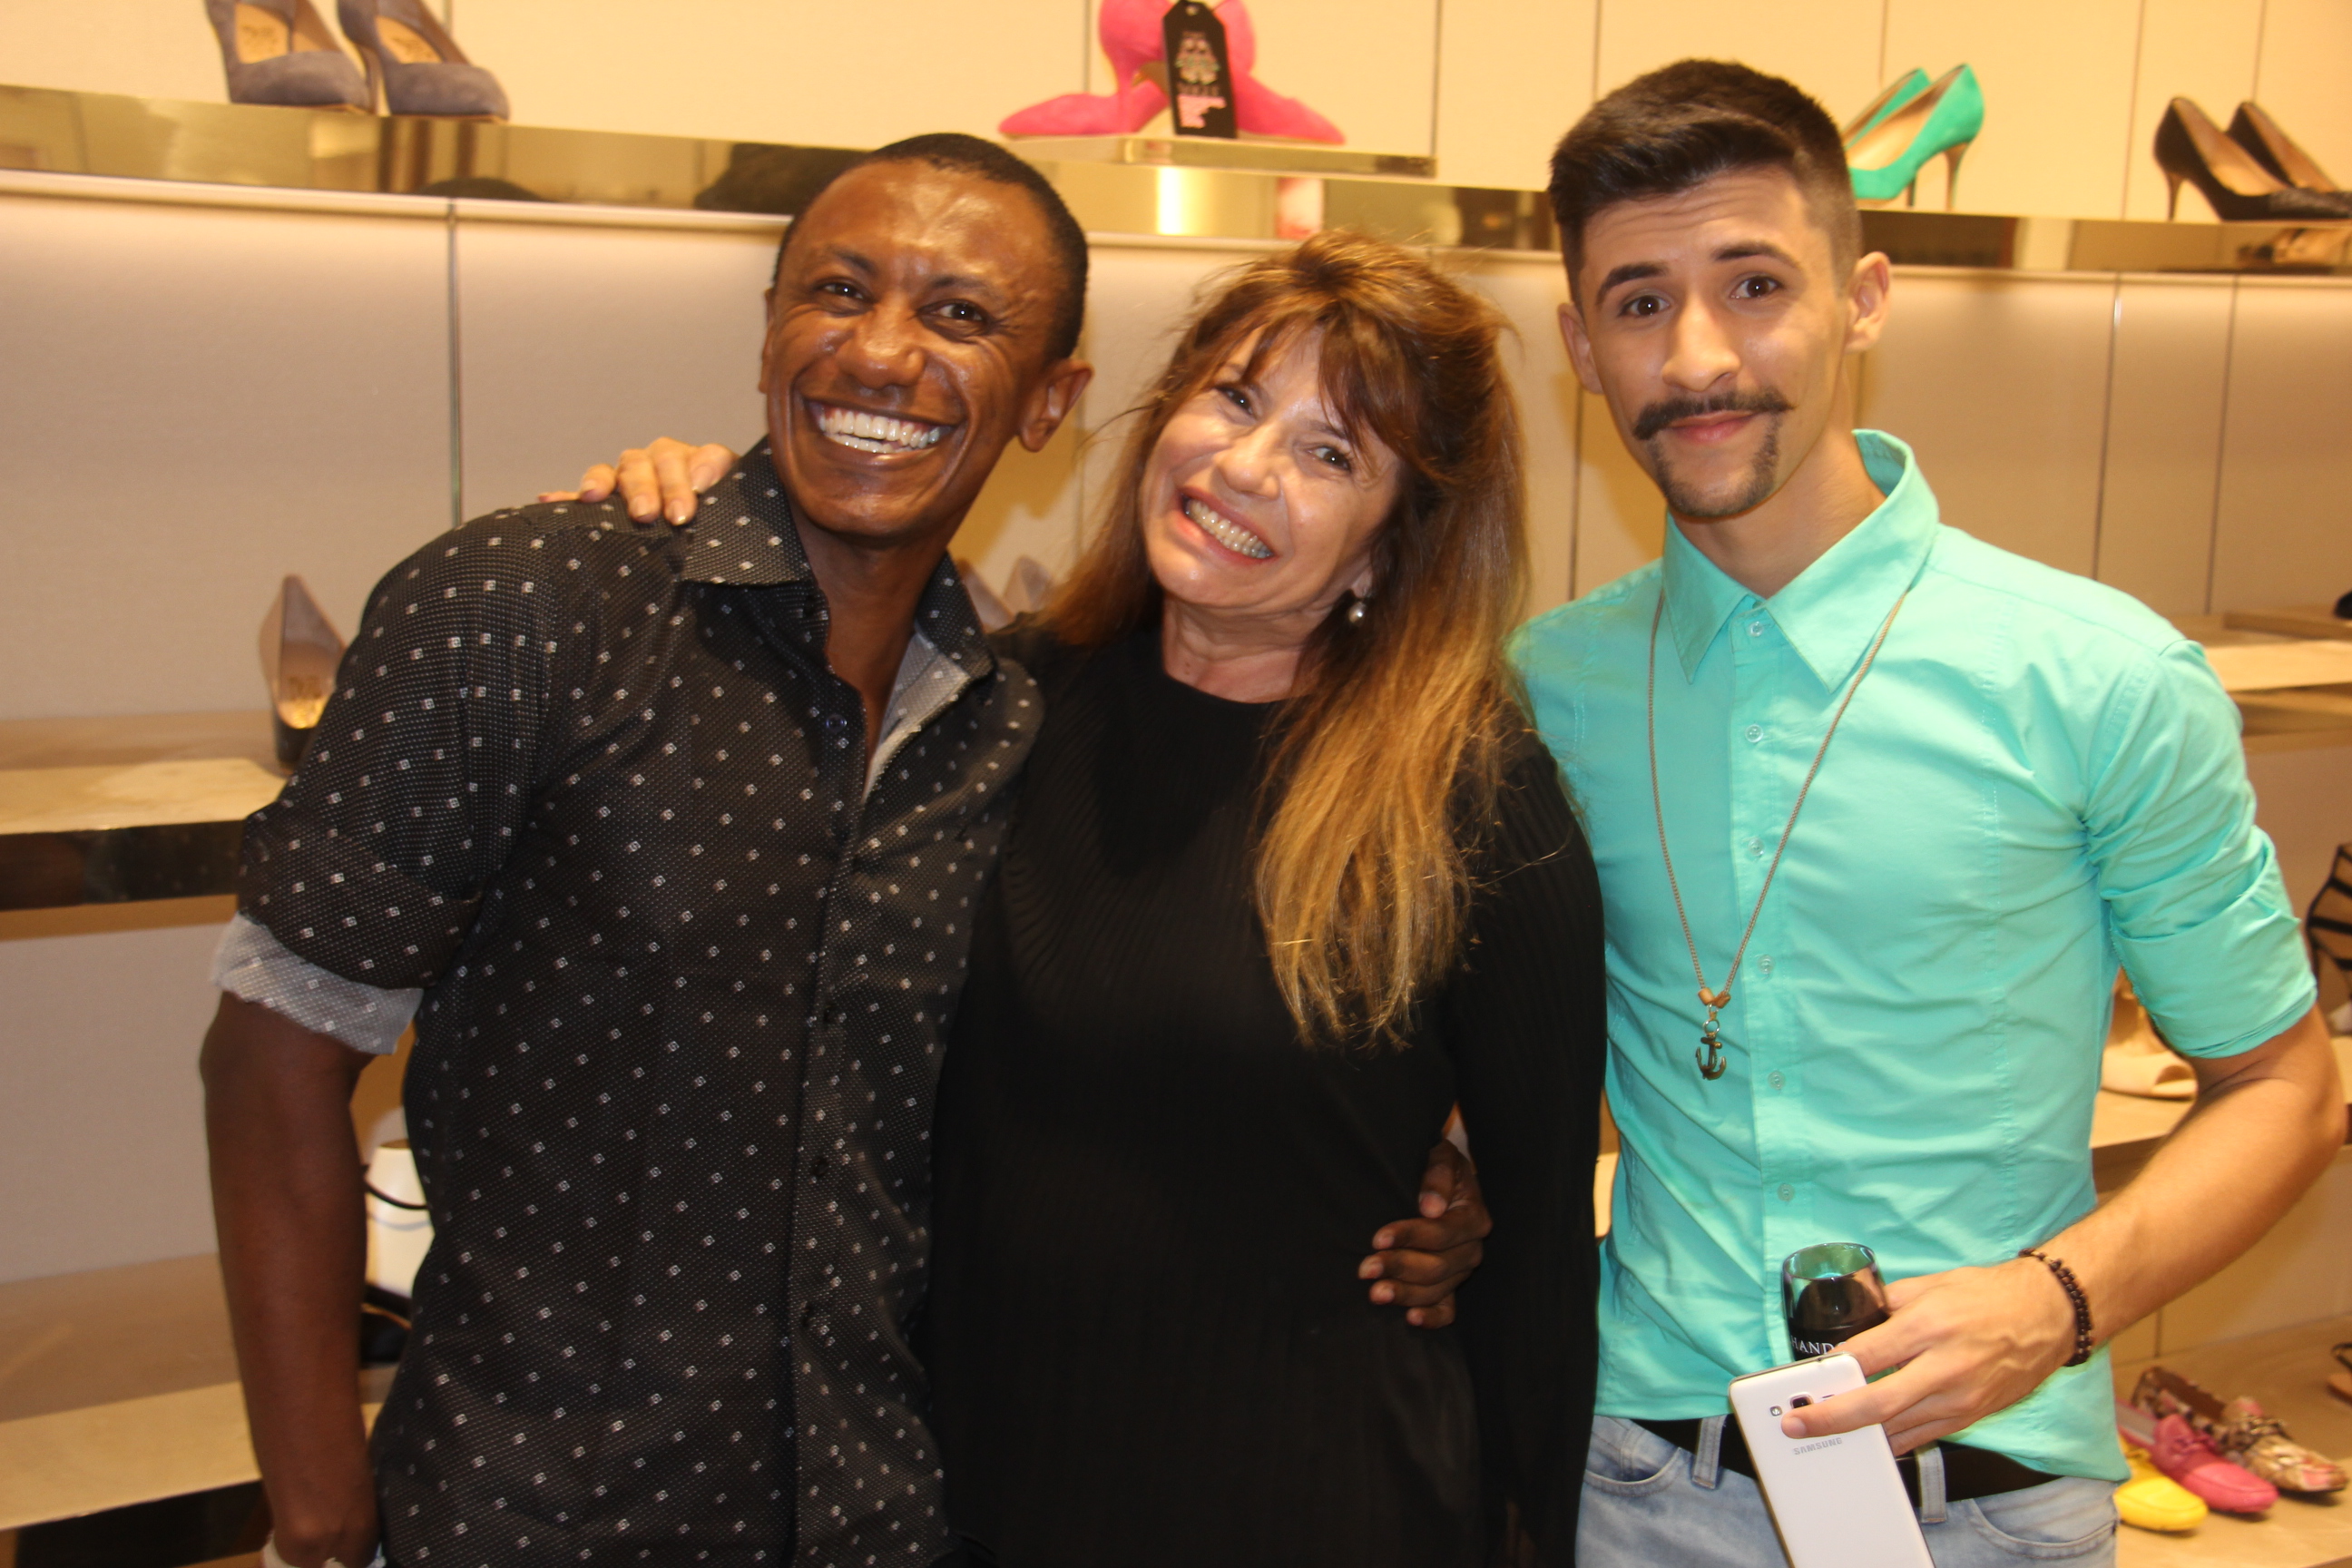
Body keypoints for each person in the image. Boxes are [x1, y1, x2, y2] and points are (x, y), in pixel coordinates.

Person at [201, 135, 1486, 1568]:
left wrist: (1420, 1170)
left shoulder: (1010, 719)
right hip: (531, 1516)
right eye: (837, 291)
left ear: (1050, 402)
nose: (881, 353)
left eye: (961, 315)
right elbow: (272, 1053)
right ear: (769, 333)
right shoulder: (535, 605)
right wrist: (318, 1512)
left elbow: (1135, 1036)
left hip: (884, 1516)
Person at [573, 230, 1606, 1566]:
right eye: (1235, 398)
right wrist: (685, 505)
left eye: (1330, 454)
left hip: (1318, 1505)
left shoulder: (1470, 805)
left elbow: (1537, 1260)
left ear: (1387, 551)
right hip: (975, 1494)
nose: (1246, 466)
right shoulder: (987, 714)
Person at [1510, 61, 2346, 1567]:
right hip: (1635, 1484)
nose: (1698, 355)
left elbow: (2284, 1087)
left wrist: (2056, 1301)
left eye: (1755, 284)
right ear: (1581, 345)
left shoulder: (2097, 678)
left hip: (1986, 1504)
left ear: (1864, 298)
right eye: (1639, 302)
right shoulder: (1543, 689)